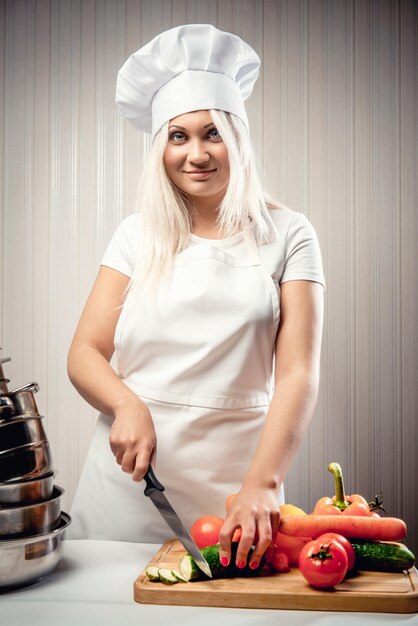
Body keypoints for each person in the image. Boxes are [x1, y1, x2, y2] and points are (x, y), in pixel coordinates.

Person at [67, 24, 325, 571]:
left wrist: (264, 482)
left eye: (213, 133)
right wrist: (125, 404)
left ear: (238, 139)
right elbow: (85, 352)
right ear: (160, 147)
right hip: (130, 483)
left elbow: (299, 372)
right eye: (177, 136)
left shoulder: (290, 233)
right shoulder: (136, 234)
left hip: (237, 487)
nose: (197, 154)